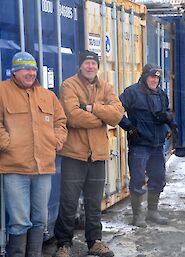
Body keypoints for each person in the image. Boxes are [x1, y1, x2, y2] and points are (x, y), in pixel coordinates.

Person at [53, 50, 124, 257]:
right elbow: (73, 117)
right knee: (68, 202)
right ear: (80, 65)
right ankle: (63, 244)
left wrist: (91, 108)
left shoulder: (106, 87)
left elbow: (117, 114)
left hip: (98, 155)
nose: (90, 66)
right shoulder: (69, 85)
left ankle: (94, 241)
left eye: (94, 63)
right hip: (74, 155)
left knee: (94, 203)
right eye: (87, 63)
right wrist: (102, 116)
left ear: (98, 66)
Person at [0, 51, 67, 256]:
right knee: (19, 222)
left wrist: (56, 142)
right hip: (15, 168)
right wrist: (7, 144)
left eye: (33, 69)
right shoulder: (2, 91)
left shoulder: (48, 96)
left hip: (43, 167)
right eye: (24, 69)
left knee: (40, 219)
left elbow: (60, 122)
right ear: (14, 71)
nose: (30, 73)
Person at [119, 64, 178, 228]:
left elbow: (166, 113)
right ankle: (137, 216)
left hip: (157, 145)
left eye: (157, 77)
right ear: (145, 77)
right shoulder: (132, 92)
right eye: (152, 77)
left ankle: (152, 211)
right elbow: (115, 110)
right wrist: (128, 126)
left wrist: (171, 126)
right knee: (137, 179)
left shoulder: (161, 94)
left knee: (158, 178)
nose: (154, 80)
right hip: (139, 145)